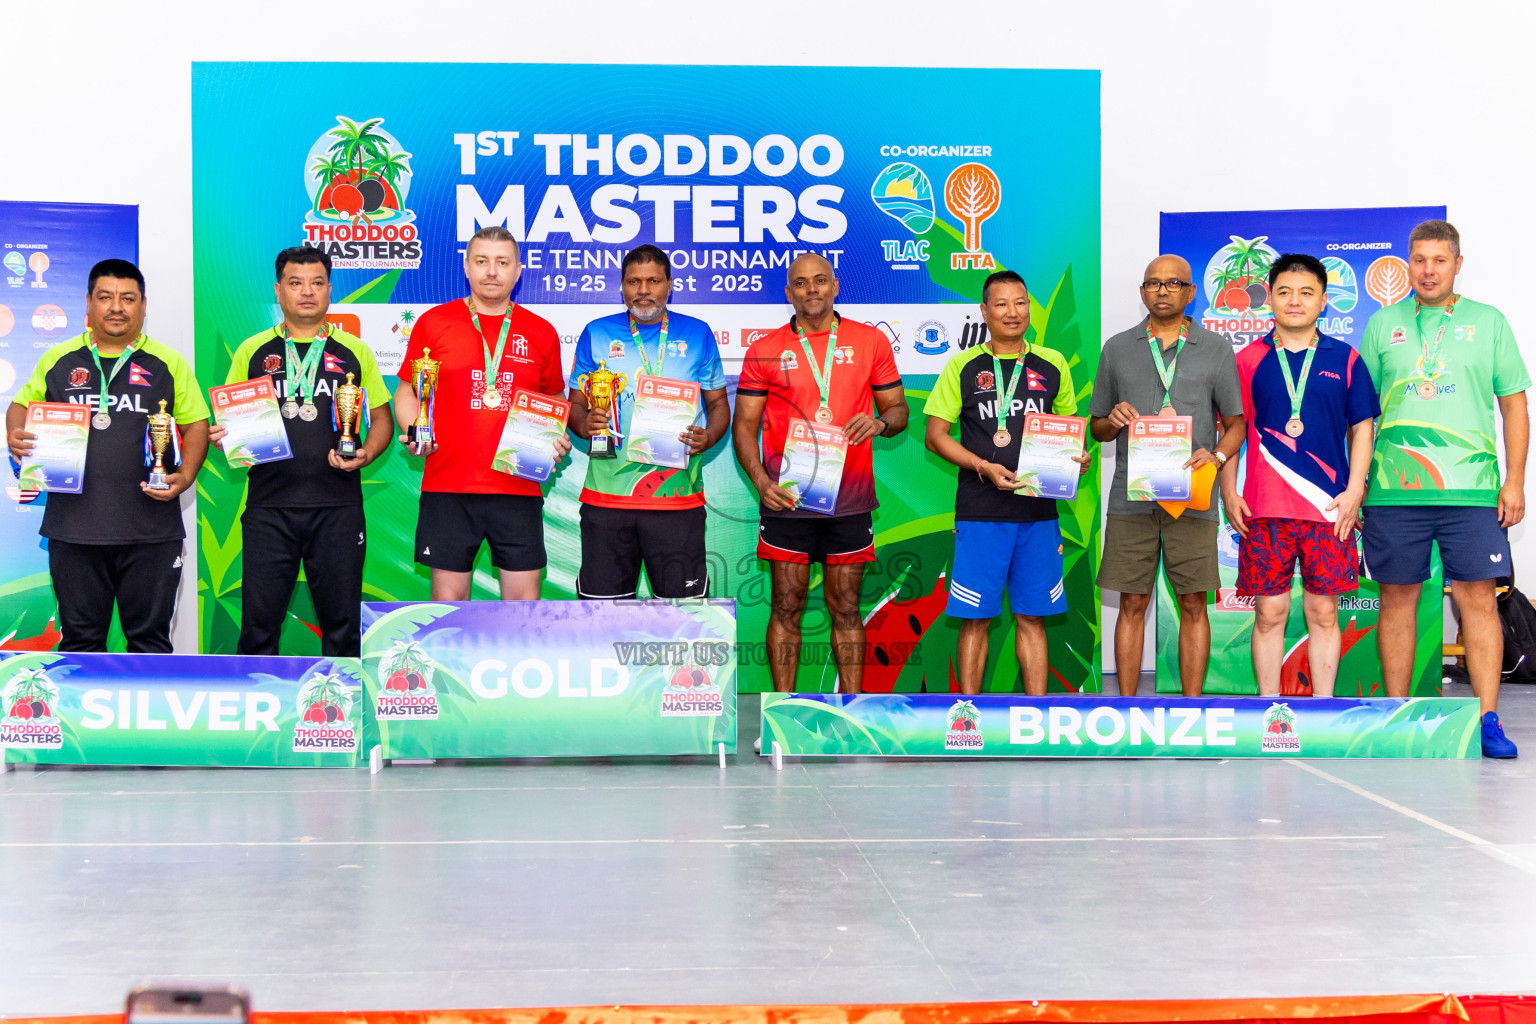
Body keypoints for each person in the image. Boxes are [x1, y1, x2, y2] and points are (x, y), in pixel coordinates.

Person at [1359, 219, 1528, 758]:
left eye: (1439, 260)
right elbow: (1361, 414)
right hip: (1392, 489)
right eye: (1419, 259)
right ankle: (1396, 718)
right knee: (1396, 600)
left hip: (1472, 489)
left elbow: (1514, 406)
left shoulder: (1490, 321)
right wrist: (1357, 481)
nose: (1428, 270)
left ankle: (1487, 721)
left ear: (1458, 264)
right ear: (1407, 264)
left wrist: (1516, 480)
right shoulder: (1383, 324)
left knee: (1478, 600)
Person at [5, 259, 209, 652]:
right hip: (74, 529)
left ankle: (150, 714)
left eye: (128, 298)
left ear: (143, 306)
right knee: (81, 641)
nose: (117, 307)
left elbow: (196, 424)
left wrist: (185, 476)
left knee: (150, 642)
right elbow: (20, 405)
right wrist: (16, 431)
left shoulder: (169, 362)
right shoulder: (58, 359)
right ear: (88, 303)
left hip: (151, 530)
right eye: (105, 297)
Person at [733, 253, 909, 693]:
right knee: (786, 608)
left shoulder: (870, 341)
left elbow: (899, 410)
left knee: (846, 608)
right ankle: (783, 711)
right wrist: (761, 483)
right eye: (800, 283)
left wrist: (882, 423)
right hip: (787, 501)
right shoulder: (765, 350)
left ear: (835, 285)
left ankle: (852, 711)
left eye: (819, 280)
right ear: (788, 291)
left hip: (848, 502)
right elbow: (743, 426)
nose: (811, 289)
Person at [210, 247, 393, 657]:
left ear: (329, 290)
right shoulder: (252, 351)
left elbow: (382, 419)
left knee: (342, 626)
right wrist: (224, 434)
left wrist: (363, 452)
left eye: (316, 283)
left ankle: (342, 715)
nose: (306, 292)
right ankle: (260, 714)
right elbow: (228, 419)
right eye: (295, 283)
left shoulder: (354, 352)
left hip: (338, 508)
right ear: (279, 291)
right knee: (258, 626)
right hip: (268, 509)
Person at [924, 270, 1089, 695]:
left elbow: (1069, 428)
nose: (1012, 312)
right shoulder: (962, 365)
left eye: (1020, 302)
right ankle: (968, 713)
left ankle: (1037, 714)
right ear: (985, 311)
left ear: (1029, 308)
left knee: (1033, 616)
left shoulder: (1053, 364)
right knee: (975, 618)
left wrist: (1077, 459)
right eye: (1001, 304)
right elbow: (935, 435)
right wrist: (982, 465)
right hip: (981, 513)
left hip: (1038, 513)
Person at [1220, 254, 1379, 697]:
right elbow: (1232, 430)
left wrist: (1354, 492)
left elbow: (1363, 429)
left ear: (1324, 301)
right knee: (1269, 613)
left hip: (1330, 508)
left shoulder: (1346, 359)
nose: (1295, 301)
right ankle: (1269, 708)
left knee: (1324, 613)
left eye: (1307, 293)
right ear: (1268, 299)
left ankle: (1323, 708)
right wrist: (1228, 492)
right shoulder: (1248, 360)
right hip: (1265, 508)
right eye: (1285, 292)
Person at [1090, 255, 1245, 696]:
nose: (1162, 291)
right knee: (1132, 602)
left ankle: (1192, 710)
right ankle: (1124, 707)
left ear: (1190, 292)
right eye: (1153, 284)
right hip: (1131, 500)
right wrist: (1113, 419)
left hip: (1192, 496)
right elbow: (1097, 427)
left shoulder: (1216, 348)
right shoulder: (1118, 347)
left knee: (1194, 602)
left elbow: (1236, 424)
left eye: (1173, 283)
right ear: (1142, 293)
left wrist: (1215, 457)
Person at [393, 226, 569, 601]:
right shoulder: (433, 323)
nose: (492, 271)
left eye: (502, 262)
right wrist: (415, 428)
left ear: (518, 270)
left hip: (517, 484)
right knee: (448, 606)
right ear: (467, 268)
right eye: (482, 261)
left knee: (523, 610)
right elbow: (408, 390)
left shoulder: (541, 331)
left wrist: (555, 434)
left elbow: (554, 397)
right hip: (448, 486)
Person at [567, 245, 729, 598]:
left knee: (682, 616)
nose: (643, 290)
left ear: (669, 285)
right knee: (601, 615)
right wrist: (584, 424)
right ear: (621, 286)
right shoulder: (596, 332)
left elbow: (718, 403)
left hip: (677, 499)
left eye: (653, 281)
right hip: (606, 500)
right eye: (633, 281)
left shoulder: (697, 333)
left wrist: (710, 435)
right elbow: (575, 402)